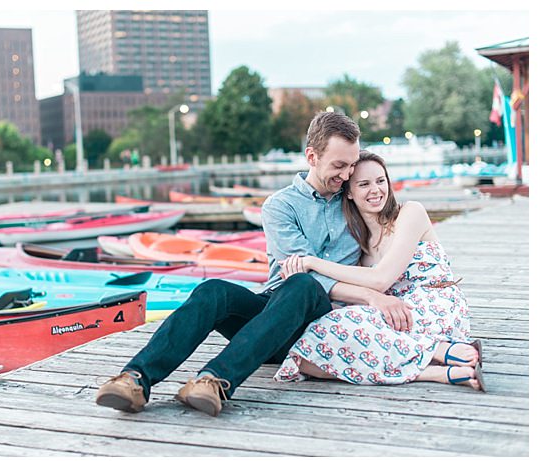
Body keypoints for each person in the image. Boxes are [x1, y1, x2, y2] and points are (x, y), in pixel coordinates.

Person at [96, 112, 412, 417]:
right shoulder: (280, 206)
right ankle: (135, 379)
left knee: (303, 285)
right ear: (312, 157)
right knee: (213, 291)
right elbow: (301, 266)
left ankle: (214, 381)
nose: (346, 175)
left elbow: (320, 268)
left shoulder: (353, 198)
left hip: (320, 323)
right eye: (339, 165)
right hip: (273, 310)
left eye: (351, 166)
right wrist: (371, 294)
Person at [273, 151, 485, 391]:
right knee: (306, 360)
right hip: (397, 315)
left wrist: (311, 262)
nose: (375, 190)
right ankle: (434, 372)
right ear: (349, 193)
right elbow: (362, 298)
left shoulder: (410, 213)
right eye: (364, 184)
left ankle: (441, 350)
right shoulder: (359, 248)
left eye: (380, 181)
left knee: (339, 330)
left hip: (435, 304)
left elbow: (380, 280)